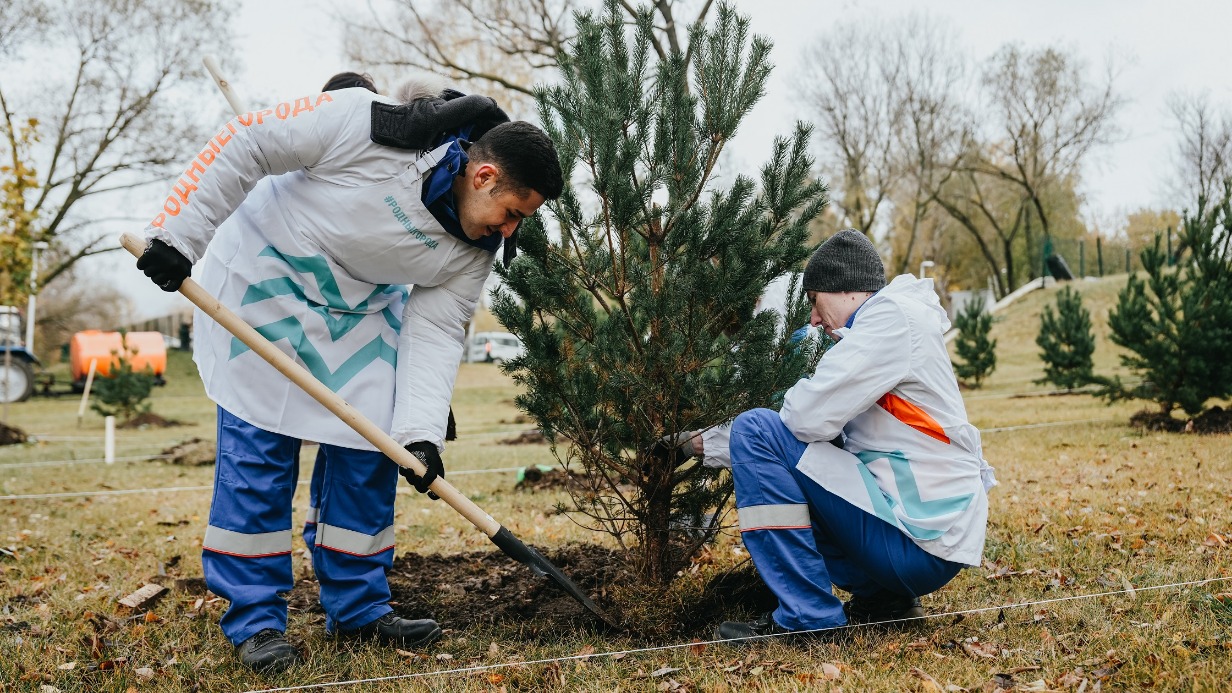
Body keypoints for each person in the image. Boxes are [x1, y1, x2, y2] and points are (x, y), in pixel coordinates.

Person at [134, 72, 563, 673]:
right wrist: (176, 237)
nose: (510, 230)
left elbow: (436, 329)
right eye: (511, 213)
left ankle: (359, 608)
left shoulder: (474, 249)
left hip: (356, 310)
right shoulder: (361, 123)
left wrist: (419, 434)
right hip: (266, 281)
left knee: (375, 446)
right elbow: (247, 141)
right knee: (260, 456)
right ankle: (255, 620)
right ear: (484, 176)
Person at [675, 229, 996, 643]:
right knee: (798, 449)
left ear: (846, 290)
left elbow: (804, 418)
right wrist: (702, 443)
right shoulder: (887, 325)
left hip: (919, 542)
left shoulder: (889, 319)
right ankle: (886, 600)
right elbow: (812, 434)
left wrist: (733, 430)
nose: (812, 318)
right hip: (922, 536)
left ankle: (808, 616)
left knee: (757, 428)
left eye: (813, 301)